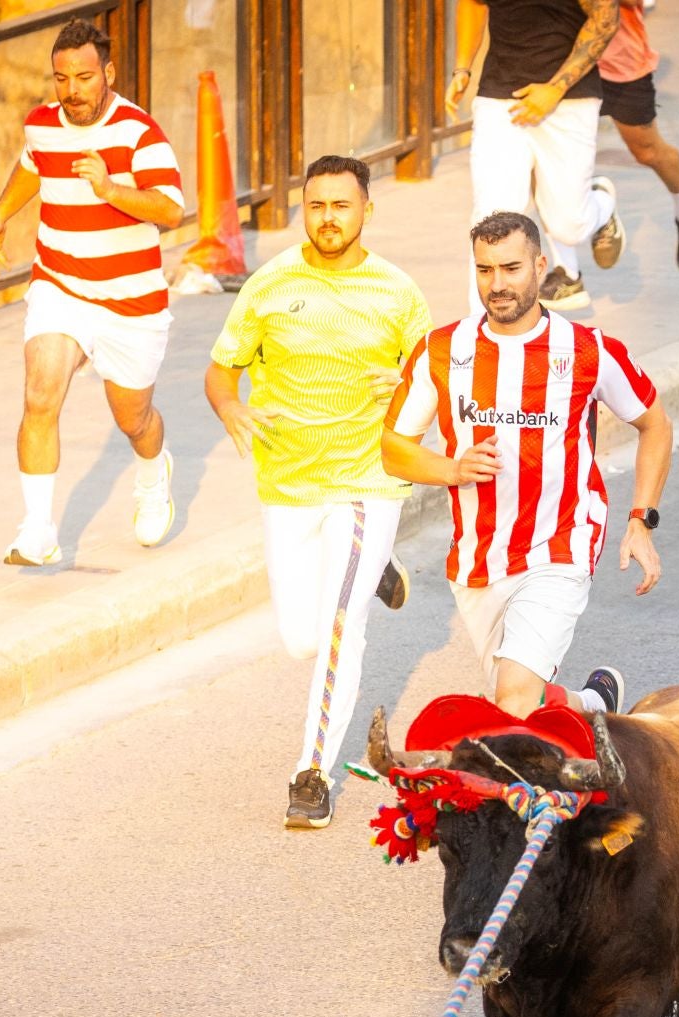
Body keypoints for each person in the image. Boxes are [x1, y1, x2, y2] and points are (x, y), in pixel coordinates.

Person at [203, 157, 427, 830]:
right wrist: (231, 410)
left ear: (367, 211)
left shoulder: (397, 293)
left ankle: (311, 772)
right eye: (318, 205)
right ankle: (375, 566)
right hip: (288, 484)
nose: (329, 217)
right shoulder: (269, 285)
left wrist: (411, 387)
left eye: (343, 205)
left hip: (366, 480)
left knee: (338, 625)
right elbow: (220, 372)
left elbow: (437, 377)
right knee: (300, 638)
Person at [381, 212, 672, 718]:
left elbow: (656, 424)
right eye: (485, 270)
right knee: (520, 703)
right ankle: (591, 705)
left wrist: (640, 520)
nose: (498, 285)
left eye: (511, 268)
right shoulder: (442, 350)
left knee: (513, 699)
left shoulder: (588, 350)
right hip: (478, 557)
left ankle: (528, 798)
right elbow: (392, 449)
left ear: (540, 265)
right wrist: (451, 469)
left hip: (561, 543)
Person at [0, 18, 183, 568]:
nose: (72, 91)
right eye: (62, 78)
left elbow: (170, 210)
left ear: (107, 73)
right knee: (40, 393)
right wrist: (1, 213)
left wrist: (110, 188)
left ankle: (153, 468)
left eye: (85, 77)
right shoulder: (43, 124)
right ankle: (38, 530)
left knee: (132, 419)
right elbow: (32, 165)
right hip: (60, 285)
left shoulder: (140, 133)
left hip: (130, 302)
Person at [444, 0, 626, 311]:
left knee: (569, 226)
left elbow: (605, 19)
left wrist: (554, 90)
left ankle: (601, 205)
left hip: (569, 100)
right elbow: (472, 4)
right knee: (491, 218)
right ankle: (480, 330)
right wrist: (463, 68)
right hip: (499, 97)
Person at [599, 0, 679, 271]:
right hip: (559, 63)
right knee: (554, 155)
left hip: (620, 64)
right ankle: (596, 212)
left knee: (647, 151)